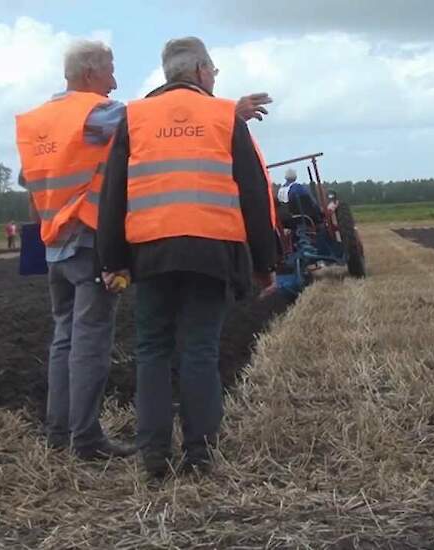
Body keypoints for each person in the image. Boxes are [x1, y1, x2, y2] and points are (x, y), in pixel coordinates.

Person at [98, 36, 277, 479]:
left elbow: (113, 194)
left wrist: (112, 260)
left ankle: (153, 455)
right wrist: (264, 261)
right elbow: (253, 191)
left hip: (151, 254)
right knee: (199, 350)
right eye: (213, 72)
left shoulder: (134, 117)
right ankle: (200, 454)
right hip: (211, 251)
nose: (215, 80)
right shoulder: (223, 115)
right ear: (200, 72)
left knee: (152, 351)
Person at [14, 39, 134, 460]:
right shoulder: (95, 114)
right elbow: (146, 119)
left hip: (53, 247)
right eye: (110, 71)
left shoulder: (38, 122)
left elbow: (25, 179)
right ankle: (86, 439)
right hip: (89, 242)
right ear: (89, 74)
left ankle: (58, 433)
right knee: (91, 342)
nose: (115, 82)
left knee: (64, 338)